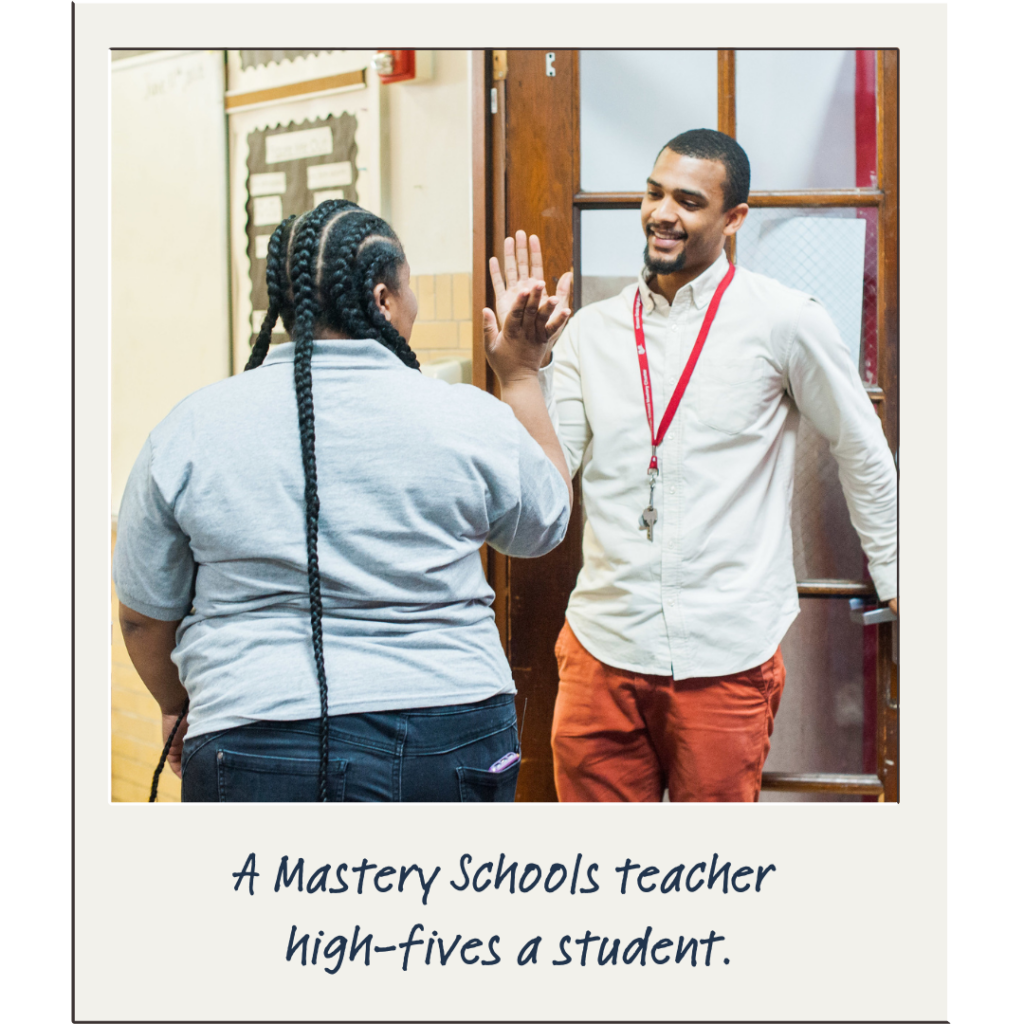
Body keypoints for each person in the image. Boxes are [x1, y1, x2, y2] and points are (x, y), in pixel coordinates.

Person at [113, 199, 572, 802]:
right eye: (409, 290)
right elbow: (545, 525)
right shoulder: (465, 417)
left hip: (251, 729)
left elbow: (142, 615)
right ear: (384, 299)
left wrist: (178, 706)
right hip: (449, 730)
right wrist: (520, 377)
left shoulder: (191, 428)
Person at [489, 129, 898, 803]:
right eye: (654, 193)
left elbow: (863, 452)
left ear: (734, 219)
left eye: (688, 200)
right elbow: (544, 486)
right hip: (602, 649)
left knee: (707, 876)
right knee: (597, 876)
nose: (662, 213)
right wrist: (521, 374)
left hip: (727, 656)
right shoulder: (592, 331)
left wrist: (898, 579)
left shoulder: (785, 320)